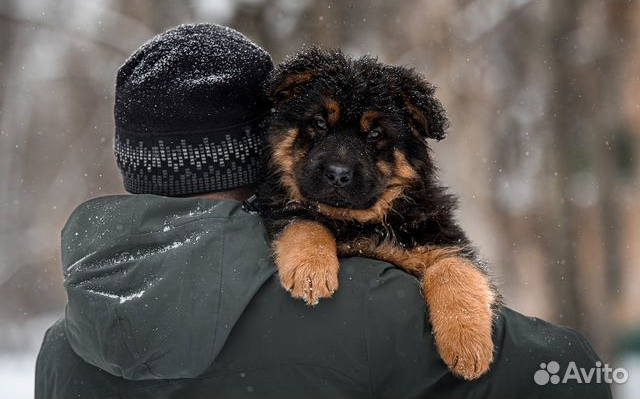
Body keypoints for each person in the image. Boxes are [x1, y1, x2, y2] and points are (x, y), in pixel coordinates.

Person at [35, 23, 612, 399]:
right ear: (261, 147)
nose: (338, 165)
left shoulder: (61, 348)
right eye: (314, 130)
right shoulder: (366, 305)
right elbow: (572, 377)